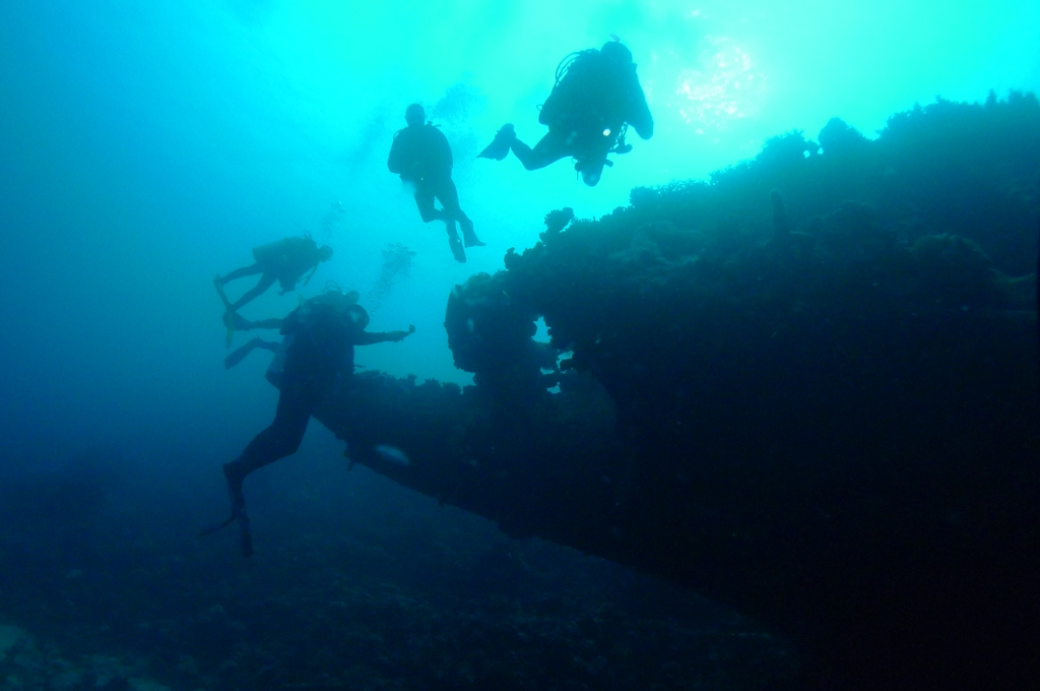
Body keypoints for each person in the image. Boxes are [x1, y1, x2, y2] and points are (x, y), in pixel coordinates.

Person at [202, 288, 414, 556]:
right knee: (285, 436)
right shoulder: (332, 320)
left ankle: (239, 467)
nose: (359, 326)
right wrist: (389, 336)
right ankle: (238, 468)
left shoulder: (339, 337)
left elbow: (346, 375)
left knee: (286, 438)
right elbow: (352, 339)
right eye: (360, 321)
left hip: (303, 386)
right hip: (299, 384)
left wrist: (366, 381)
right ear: (354, 317)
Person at [479, 40, 653, 186]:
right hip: (587, 140)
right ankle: (507, 137)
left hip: (567, 135)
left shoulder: (586, 70)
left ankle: (507, 136)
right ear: (627, 66)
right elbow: (646, 131)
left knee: (532, 162)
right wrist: (632, 85)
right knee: (590, 179)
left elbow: (546, 115)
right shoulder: (626, 87)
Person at [388, 103, 484, 263]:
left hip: (439, 180)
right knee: (429, 215)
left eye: (418, 117)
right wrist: (412, 167)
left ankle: (462, 230)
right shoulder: (402, 138)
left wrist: (432, 171)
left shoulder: (432, 133)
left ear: (423, 117)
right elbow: (391, 166)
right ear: (406, 119)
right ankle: (456, 227)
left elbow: (449, 159)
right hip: (423, 183)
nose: (415, 120)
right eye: (413, 117)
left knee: (453, 209)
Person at [214, 233, 334, 313]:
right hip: (277, 268)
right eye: (326, 256)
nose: (323, 258)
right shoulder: (312, 258)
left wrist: (287, 285)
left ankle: (222, 281)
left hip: (273, 261)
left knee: (249, 271)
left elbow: (295, 268)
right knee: (258, 289)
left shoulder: (310, 251)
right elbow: (295, 269)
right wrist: (288, 286)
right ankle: (234, 307)